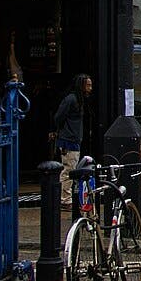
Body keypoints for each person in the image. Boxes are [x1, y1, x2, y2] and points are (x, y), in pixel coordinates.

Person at [54, 74, 92, 209]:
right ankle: (65, 199)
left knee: (71, 168)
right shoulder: (71, 99)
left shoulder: (77, 100)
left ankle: (66, 197)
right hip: (68, 139)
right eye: (88, 85)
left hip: (73, 138)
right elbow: (59, 117)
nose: (90, 88)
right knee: (68, 170)